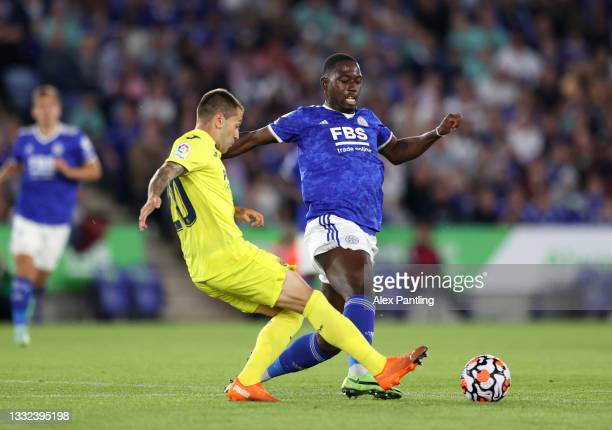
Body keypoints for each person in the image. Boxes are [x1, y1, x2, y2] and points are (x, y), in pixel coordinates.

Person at [138, 88, 428, 402]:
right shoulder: (194, 144)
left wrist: (236, 211)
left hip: (204, 268)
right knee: (313, 302)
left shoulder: (205, 157)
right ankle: (379, 366)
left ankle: (247, 382)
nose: (237, 134)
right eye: (235, 126)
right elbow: (167, 169)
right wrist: (154, 194)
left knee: (290, 313)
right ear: (218, 119)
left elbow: (199, 199)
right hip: (230, 257)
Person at [224, 53, 461, 399]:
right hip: (332, 221)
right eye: (344, 79)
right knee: (362, 285)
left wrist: (437, 132)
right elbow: (253, 138)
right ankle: (363, 374)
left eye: (357, 80)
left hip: (364, 230)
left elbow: (397, 151)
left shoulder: (369, 120)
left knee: (331, 337)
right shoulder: (307, 118)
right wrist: (209, 152)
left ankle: (251, 376)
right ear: (326, 84)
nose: (352, 85)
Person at [0, 85, 102, 346]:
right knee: (23, 271)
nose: (46, 111)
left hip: (58, 221)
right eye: (41, 106)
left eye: (50, 106)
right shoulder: (24, 137)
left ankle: (30, 299)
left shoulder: (74, 138)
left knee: (39, 277)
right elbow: (16, 163)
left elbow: (94, 170)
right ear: (34, 110)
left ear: (58, 109)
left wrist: (69, 172)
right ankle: (20, 327)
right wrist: (6, 173)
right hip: (26, 216)